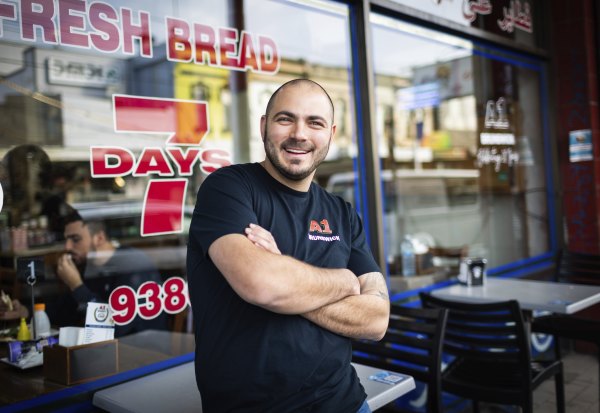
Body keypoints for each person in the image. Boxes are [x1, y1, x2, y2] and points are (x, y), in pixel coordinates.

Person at [187, 79, 390, 413]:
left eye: (315, 122)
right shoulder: (229, 189)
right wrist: (344, 282)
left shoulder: (341, 212)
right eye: (286, 119)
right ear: (265, 126)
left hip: (346, 403)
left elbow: (376, 320)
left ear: (331, 133)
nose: (300, 133)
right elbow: (263, 285)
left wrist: (283, 272)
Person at [47, 207, 168, 337]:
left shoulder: (132, 264)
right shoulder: (91, 266)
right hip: (110, 349)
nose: (68, 247)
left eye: (75, 239)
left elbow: (115, 327)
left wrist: (76, 285)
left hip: (143, 350)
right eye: (66, 240)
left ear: (99, 238)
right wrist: (27, 312)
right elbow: (66, 311)